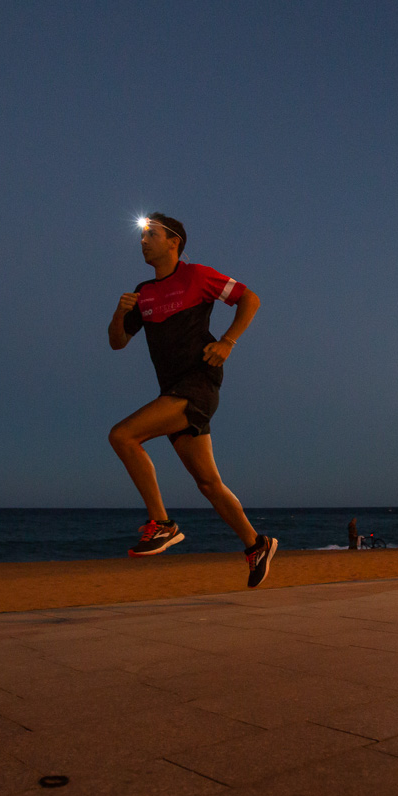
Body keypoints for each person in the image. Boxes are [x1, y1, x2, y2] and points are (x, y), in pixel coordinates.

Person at [107, 214, 278, 587]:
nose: (143, 241)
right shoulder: (143, 292)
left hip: (198, 383)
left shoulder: (197, 275)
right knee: (208, 483)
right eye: (141, 236)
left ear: (174, 242)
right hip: (172, 390)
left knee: (123, 436)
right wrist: (121, 312)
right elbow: (117, 342)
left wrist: (228, 342)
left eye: (151, 234)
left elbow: (250, 299)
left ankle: (163, 525)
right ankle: (256, 544)